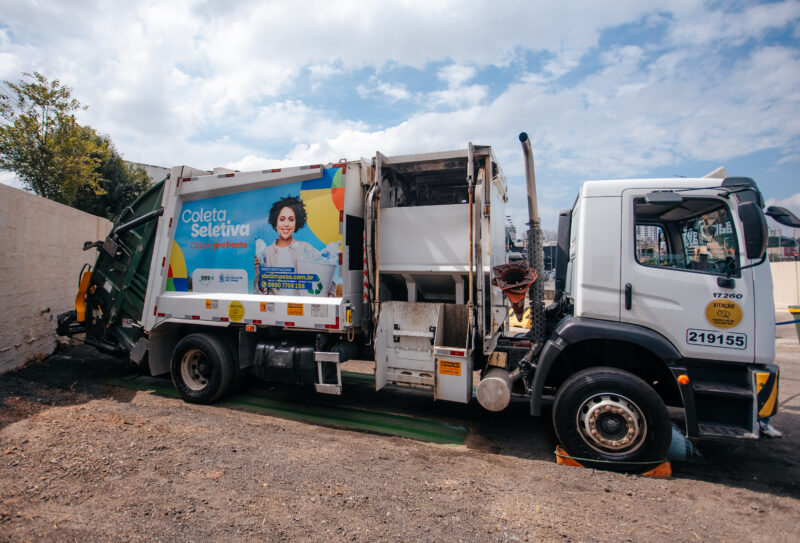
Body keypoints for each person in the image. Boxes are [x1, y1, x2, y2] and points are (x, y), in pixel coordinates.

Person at [253, 196, 320, 295]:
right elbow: (259, 294)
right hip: (274, 307)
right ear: (275, 222)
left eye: (291, 219)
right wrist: (260, 274)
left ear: (296, 223)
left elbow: (323, 276)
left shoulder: (306, 248)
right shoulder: (266, 252)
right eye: (282, 219)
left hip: (299, 308)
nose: (286, 224)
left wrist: (330, 295)